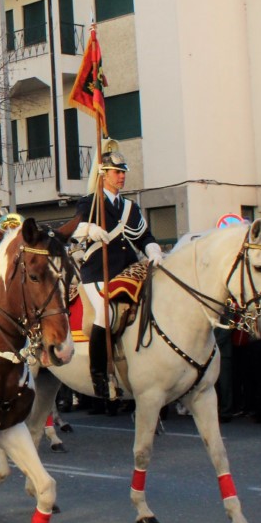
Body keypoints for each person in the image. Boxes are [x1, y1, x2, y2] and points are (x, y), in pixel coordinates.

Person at [58, 139, 162, 402]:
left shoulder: (130, 208)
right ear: (104, 174)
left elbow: (143, 235)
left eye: (123, 172)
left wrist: (152, 249)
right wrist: (89, 229)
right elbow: (74, 229)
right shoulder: (90, 202)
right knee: (105, 315)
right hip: (98, 274)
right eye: (117, 172)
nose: (122, 177)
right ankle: (99, 375)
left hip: (127, 272)